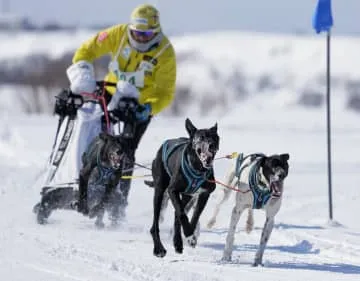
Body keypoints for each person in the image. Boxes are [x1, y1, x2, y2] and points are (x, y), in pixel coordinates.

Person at [55, 3, 176, 222]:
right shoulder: (119, 34)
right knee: (95, 138)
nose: (140, 38)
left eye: (146, 34)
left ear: (155, 32)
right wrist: (83, 74)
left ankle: (118, 203)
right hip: (110, 95)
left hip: (139, 105)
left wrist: (148, 108)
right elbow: (86, 50)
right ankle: (83, 181)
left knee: (126, 150)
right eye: (136, 33)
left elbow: (166, 92)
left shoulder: (165, 52)